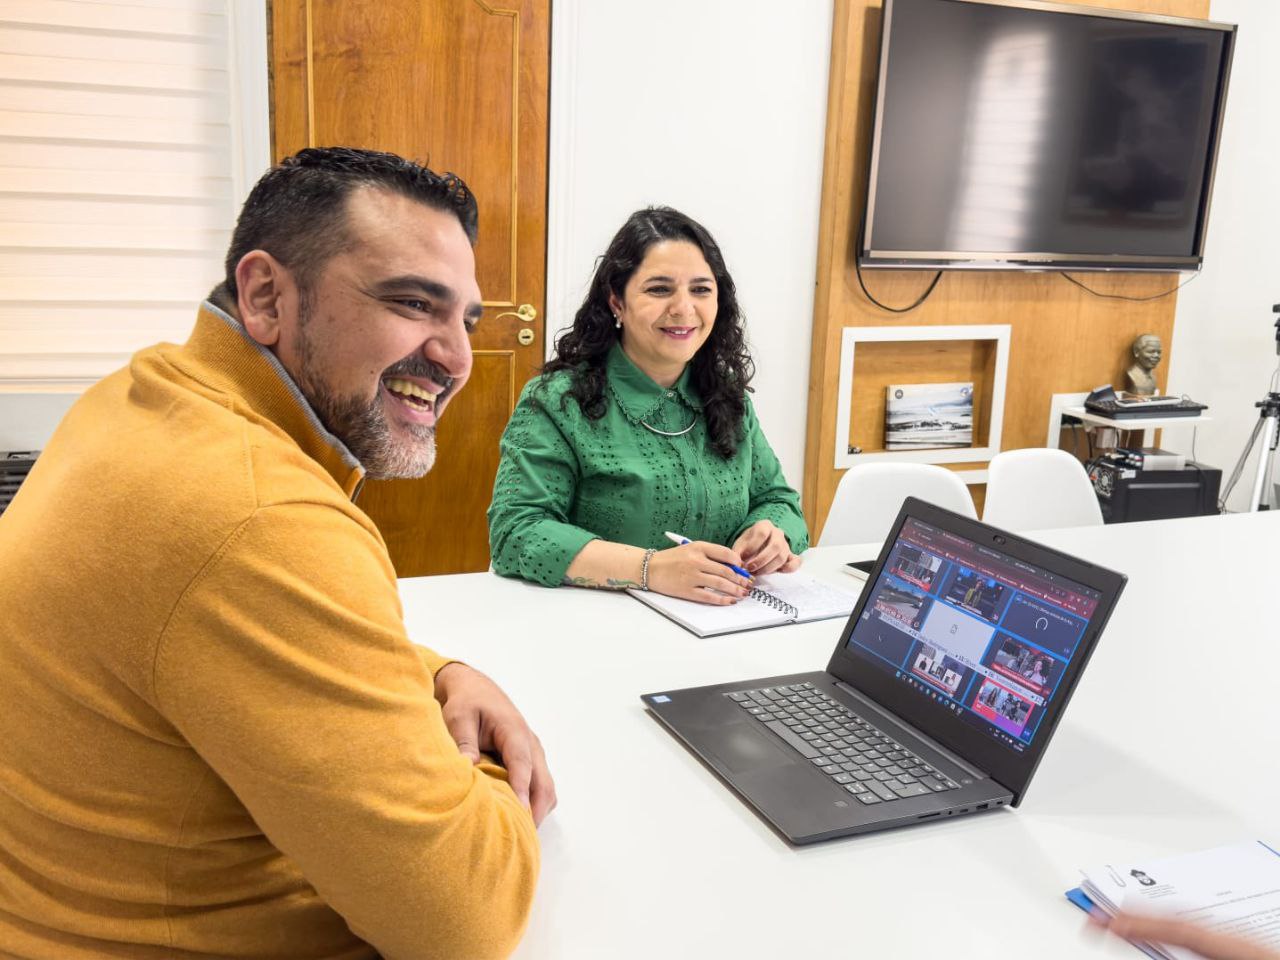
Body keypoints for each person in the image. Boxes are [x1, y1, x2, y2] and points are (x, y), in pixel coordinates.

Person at [0, 148, 554, 960]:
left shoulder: (146, 394)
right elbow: (463, 924)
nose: (457, 358)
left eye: (464, 321)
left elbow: (215, 618)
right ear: (265, 296)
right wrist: (490, 767)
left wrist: (434, 673)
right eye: (411, 303)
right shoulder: (262, 513)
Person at [487, 206, 808, 604]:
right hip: (601, 633)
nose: (683, 308)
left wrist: (771, 533)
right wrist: (651, 569)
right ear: (616, 302)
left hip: (728, 625)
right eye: (659, 289)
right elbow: (516, 532)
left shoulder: (727, 397)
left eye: (701, 289)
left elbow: (779, 501)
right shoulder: (556, 401)